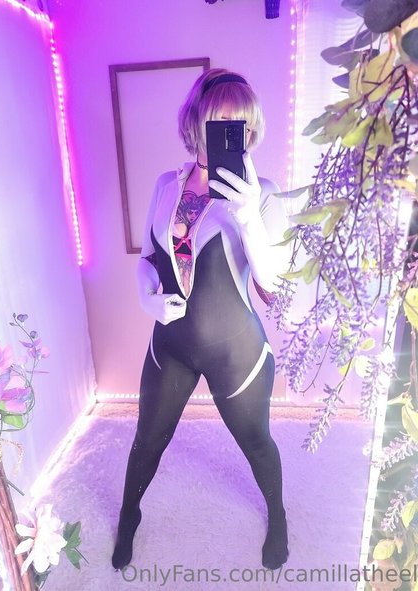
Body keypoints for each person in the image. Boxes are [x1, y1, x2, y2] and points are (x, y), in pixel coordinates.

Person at [111, 68, 290, 571]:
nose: (232, 134)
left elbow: (274, 283)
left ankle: (277, 514)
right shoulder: (166, 185)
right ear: (195, 123)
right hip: (170, 344)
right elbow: (149, 258)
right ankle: (129, 514)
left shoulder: (264, 193)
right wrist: (146, 299)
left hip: (237, 353)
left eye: (241, 124)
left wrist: (248, 214)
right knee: (148, 440)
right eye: (219, 122)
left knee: (257, 443)